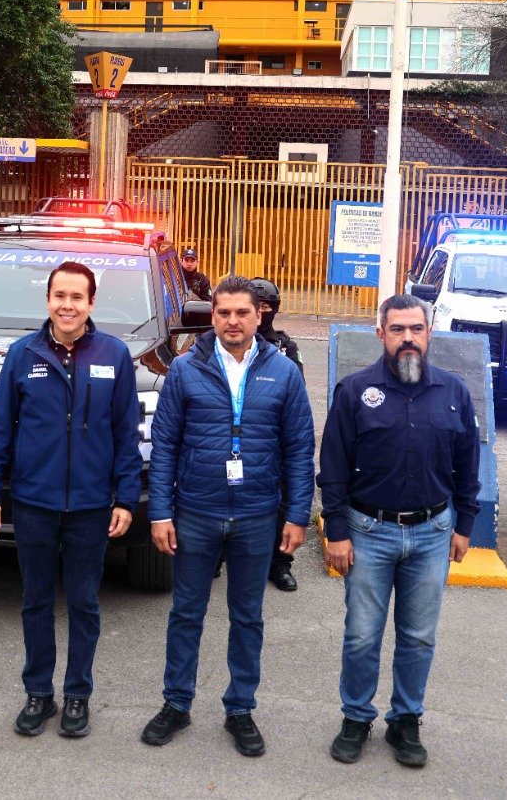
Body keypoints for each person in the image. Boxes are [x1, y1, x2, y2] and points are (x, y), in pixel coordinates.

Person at [140, 276, 315, 758]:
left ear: (259, 315)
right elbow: (165, 445)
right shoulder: (185, 369)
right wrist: (160, 512)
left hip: (257, 514)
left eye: (242, 313)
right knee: (186, 613)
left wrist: (297, 515)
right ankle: (176, 703)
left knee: (248, 616)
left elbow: (300, 449)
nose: (232, 321)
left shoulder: (284, 372)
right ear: (212, 316)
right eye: (223, 313)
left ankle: (240, 708)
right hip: (196, 511)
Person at [0, 261, 142, 740]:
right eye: (59, 296)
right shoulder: (22, 354)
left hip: (91, 506)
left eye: (76, 297)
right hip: (34, 502)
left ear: (91, 303)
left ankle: (77, 694)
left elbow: (125, 433)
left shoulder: (114, 354)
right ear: (47, 300)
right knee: (35, 601)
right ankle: (38, 693)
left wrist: (126, 498)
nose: (67, 306)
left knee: (85, 603)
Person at [318, 293, 480, 769]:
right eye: (397, 330)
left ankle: (405, 720)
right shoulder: (354, 391)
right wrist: (336, 531)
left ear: (429, 333)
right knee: (361, 636)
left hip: (432, 533)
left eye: (416, 329)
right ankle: (356, 717)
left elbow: (467, 465)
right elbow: (333, 466)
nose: (407, 338)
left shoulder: (454, 391)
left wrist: (465, 524)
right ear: (381, 334)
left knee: (419, 637)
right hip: (368, 532)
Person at [251, 277, 303, 592]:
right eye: (255, 306)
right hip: (236, 435)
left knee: (281, 501)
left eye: (267, 307)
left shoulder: (285, 347)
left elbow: (297, 395)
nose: (261, 312)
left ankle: (279, 563)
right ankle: (218, 556)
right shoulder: (226, 342)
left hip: (274, 436)